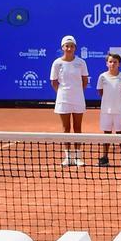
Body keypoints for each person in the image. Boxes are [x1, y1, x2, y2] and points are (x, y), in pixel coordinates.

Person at [50, 35, 89, 166]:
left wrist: (76, 91)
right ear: (62, 48)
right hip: (63, 99)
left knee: (77, 128)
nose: (69, 48)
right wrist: (62, 93)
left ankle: (78, 157)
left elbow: (84, 81)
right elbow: (54, 82)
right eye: (67, 46)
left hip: (78, 98)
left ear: (75, 48)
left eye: (72, 46)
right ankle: (68, 157)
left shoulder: (81, 62)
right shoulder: (57, 63)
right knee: (66, 128)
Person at [95, 52, 121, 166]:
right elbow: (101, 92)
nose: (112, 64)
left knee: (120, 134)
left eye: (115, 62)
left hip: (120, 110)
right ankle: (105, 157)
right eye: (110, 61)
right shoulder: (102, 77)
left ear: (119, 64)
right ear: (107, 63)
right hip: (106, 111)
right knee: (106, 134)